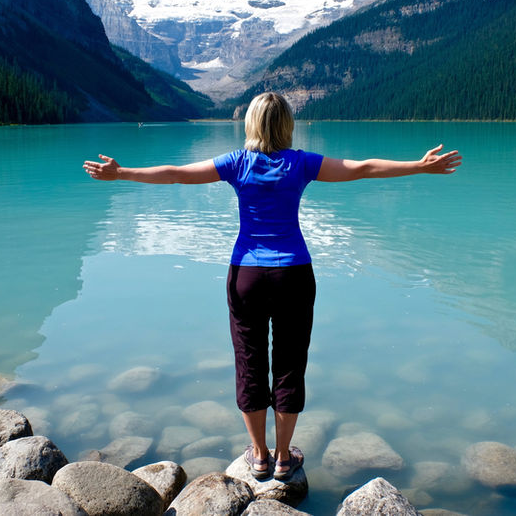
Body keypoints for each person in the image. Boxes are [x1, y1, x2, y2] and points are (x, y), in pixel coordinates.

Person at [83, 92, 461, 481]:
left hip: (246, 276)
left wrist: (122, 172)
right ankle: (284, 457)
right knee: (289, 365)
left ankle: (259, 456)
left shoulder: (236, 163)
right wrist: (419, 166)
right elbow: (362, 168)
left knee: (249, 362)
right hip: (293, 275)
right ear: (287, 125)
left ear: (250, 124)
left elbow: (177, 173)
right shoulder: (301, 164)